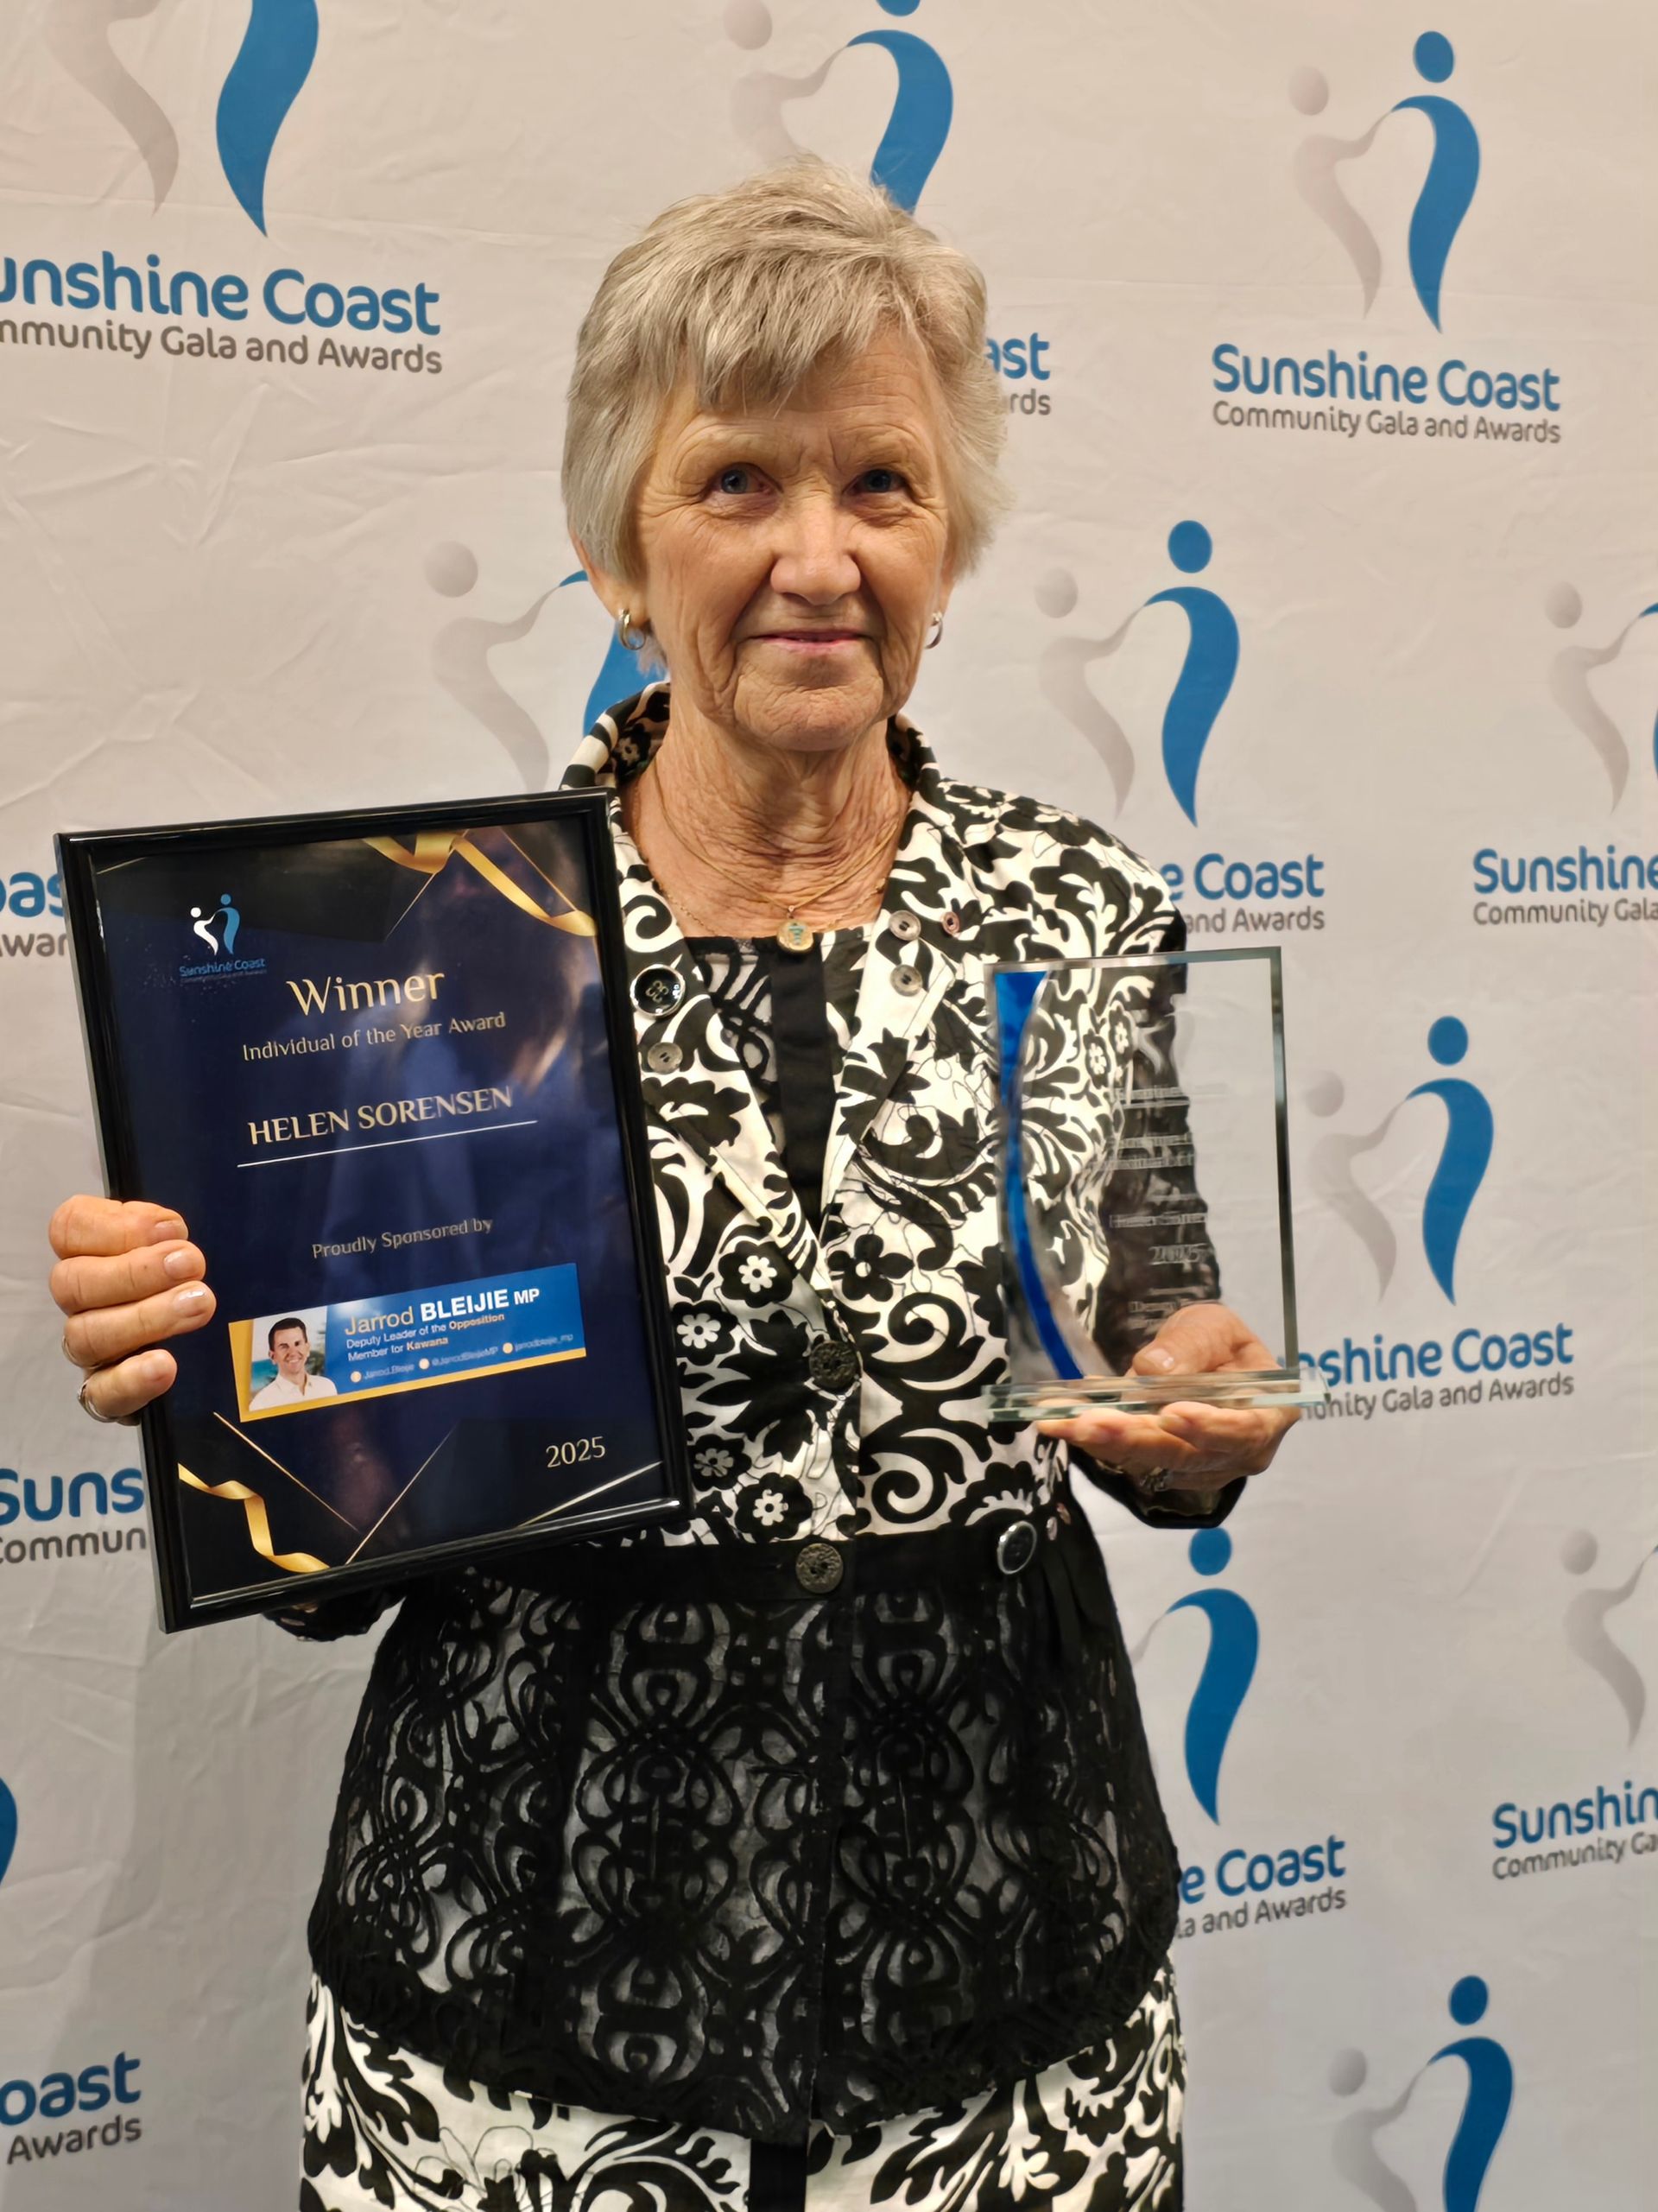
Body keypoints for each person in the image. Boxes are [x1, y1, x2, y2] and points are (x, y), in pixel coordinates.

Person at [47, 164, 1297, 2212]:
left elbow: (1148, 1326)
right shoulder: (433, 943)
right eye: (736, 481)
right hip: (524, 2018)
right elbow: (338, 1545)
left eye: (880, 483)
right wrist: (207, 1360)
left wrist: (1203, 1401)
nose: (818, 555)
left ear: (950, 537)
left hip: (1009, 1994)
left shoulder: (1080, 904)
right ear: (618, 545)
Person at [248, 1316, 339, 1410]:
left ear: (307, 1349)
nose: (293, 1353)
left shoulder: (327, 1387)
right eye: (284, 1346)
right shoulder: (260, 1405)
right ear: (273, 1356)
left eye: (297, 1344)